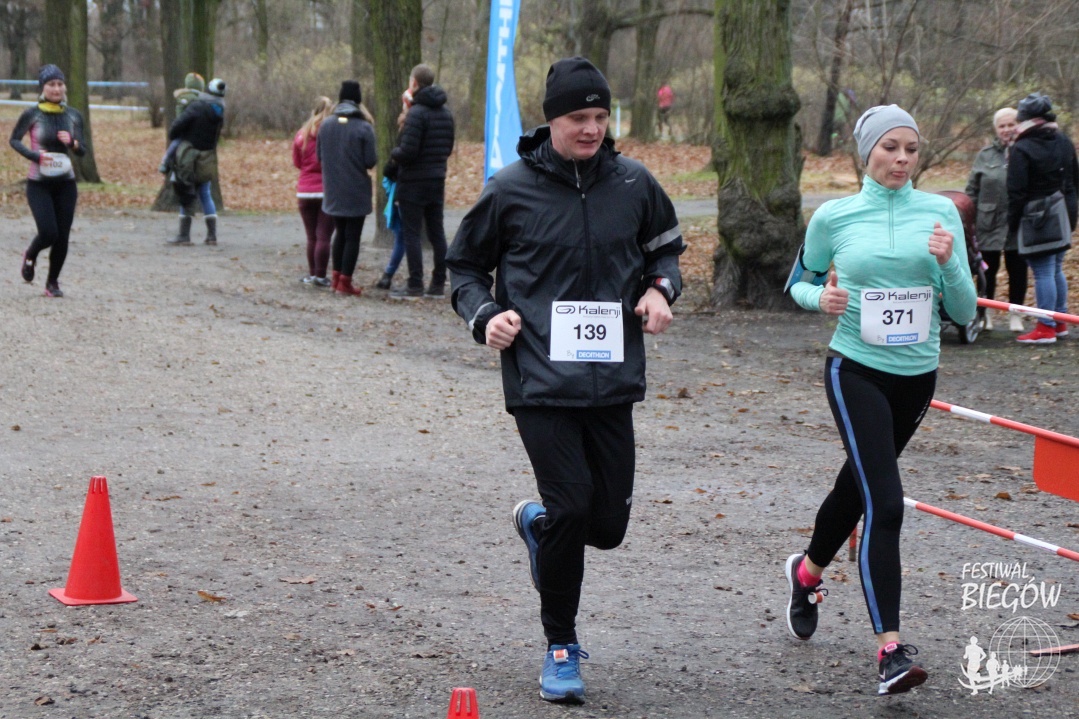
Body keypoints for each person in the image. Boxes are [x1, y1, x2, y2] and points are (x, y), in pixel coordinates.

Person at [447, 56, 684, 705]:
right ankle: (560, 645)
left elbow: (665, 251)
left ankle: (539, 525)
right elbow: (464, 268)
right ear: (551, 120)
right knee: (574, 505)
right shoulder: (510, 189)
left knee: (605, 526)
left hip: (611, 379)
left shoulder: (634, 183)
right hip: (540, 378)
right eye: (578, 117)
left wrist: (660, 290)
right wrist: (485, 315)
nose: (591, 129)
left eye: (600, 116)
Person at [785, 105, 977, 696]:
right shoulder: (835, 216)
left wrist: (948, 263)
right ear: (866, 151)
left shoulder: (940, 212)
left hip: (917, 377)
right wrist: (821, 300)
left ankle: (806, 573)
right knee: (885, 504)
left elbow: (965, 311)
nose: (901, 158)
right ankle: (890, 651)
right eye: (889, 147)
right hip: (855, 371)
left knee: (857, 487)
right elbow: (798, 283)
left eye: (911, 149)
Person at [1006, 92, 1078, 344]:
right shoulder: (1063, 140)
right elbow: (1074, 179)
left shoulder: (1022, 147)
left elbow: (1016, 191)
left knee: (1043, 271)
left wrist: (1012, 224)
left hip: (1037, 217)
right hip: (1064, 211)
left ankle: (1045, 327)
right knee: (1055, 267)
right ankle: (1060, 321)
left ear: (1025, 118)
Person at [10, 64, 86, 297]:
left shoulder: (73, 115)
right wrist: (36, 156)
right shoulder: (32, 114)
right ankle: (31, 254)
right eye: (51, 84)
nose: (56, 88)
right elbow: (14, 140)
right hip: (39, 184)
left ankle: (52, 283)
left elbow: (82, 150)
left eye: (60, 84)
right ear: (43, 88)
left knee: (62, 236)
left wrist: (72, 143)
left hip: (66, 184)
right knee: (48, 232)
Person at [389, 63, 455, 299]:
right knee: (437, 232)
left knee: (412, 233)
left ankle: (415, 284)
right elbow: (448, 148)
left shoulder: (416, 113)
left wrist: (394, 153)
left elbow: (408, 151)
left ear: (414, 83)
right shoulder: (446, 113)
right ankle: (438, 283)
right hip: (437, 179)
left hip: (413, 182)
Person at [965, 107, 1028, 332]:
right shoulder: (985, 155)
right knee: (987, 271)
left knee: (1018, 270)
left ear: (1019, 125)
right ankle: (985, 313)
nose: (1007, 129)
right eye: (1002, 126)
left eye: (1011, 124)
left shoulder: (1026, 150)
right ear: (996, 129)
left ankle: (1016, 314)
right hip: (987, 222)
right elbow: (972, 190)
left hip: (1017, 221)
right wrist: (970, 219)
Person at [317, 80, 376, 296]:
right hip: (356, 190)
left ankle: (335, 278)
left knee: (339, 233)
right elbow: (370, 161)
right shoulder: (364, 127)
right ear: (358, 100)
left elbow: (319, 156)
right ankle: (345, 281)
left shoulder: (326, 125)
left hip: (333, 189)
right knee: (353, 236)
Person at [166, 77, 226, 245]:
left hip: (189, 155)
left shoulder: (197, 106)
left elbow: (177, 126)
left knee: (185, 191)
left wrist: (175, 135)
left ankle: (184, 236)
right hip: (207, 156)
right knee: (205, 193)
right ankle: (212, 236)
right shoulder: (220, 110)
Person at [292, 96, 336, 287]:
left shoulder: (302, 134)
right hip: (326, 189)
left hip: (304, 191)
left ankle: (311, 274)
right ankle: (320, 275)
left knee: (311, 236)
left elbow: (297, 162)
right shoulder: (332, 134)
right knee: (324, 236)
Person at [375, 88, 414, 291]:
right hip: (411, 187)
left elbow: (396, 162)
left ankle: (390, 274)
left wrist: (390, 169)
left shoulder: (408, 131)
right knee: (404, 235)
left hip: (404, 188)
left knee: (403, 236)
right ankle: (390, 274)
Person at [158, 72, 205, 174]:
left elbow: (181, 116)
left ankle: (165, 161)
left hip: (187, 128)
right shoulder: (199, 98)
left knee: (176, 142)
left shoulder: (185, 97)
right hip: (194, 129)